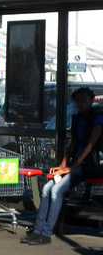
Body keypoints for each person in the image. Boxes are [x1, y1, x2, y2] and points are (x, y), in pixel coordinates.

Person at [22, 86, 103, 245]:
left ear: (91, 100)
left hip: (90, 163)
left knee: (56, 190)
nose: (80, 103)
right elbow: (73, 145)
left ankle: (46, 233)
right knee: (46, 189)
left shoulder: (98, 117)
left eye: (84, 100)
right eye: (78, 100)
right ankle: (38, 230)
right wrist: (63, 165)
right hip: (76, 163)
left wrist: (71, 168)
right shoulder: (77, 118)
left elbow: (89, 146)